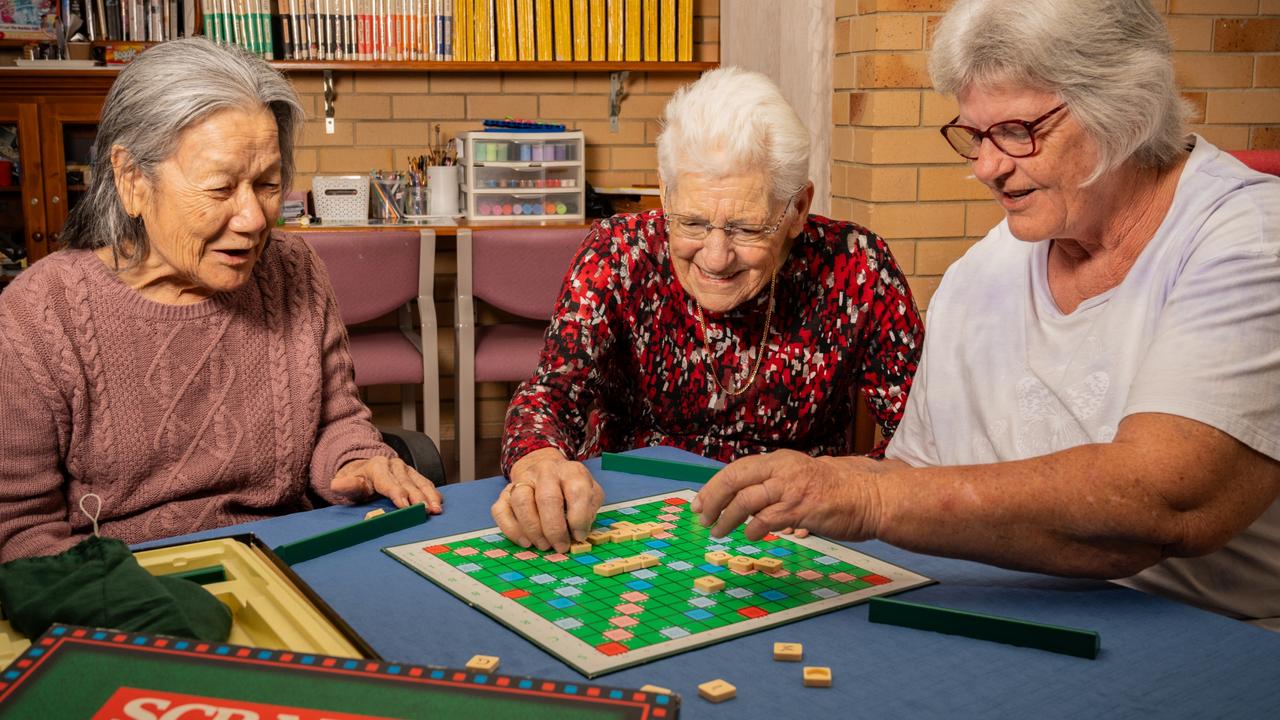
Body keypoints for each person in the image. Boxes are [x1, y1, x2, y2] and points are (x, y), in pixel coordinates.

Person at [693, 0, 1280, 631]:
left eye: (1017, 132)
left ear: (1126, 110)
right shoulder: (980, 273)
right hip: (1007, 614)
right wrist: (822, 480)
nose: (987, 167)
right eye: (975, 136)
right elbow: (917, 475)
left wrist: (867, 495)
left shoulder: (1250, 237)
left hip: (1202, 639)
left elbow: (1165, 499)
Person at [0, 38, 442, 562]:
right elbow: (21, 528)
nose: (254, 219)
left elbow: (337, 420)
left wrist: (358, 461)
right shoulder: (41, 311)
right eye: (219, 188)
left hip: (290, 556)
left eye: (268, 184)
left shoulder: (291, 269)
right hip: (125, 579)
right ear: (131, 179)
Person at [493, 68, 923, 554]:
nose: (716, 257)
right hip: (630, 518)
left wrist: (851, 485)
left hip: (800, 530)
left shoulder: (855, 264)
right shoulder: (617, 253)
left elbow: (924, 435)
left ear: (798, 208)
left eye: (746, 228)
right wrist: (540, 464)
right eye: (692, 222)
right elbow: (549, 395)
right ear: (665, 194)